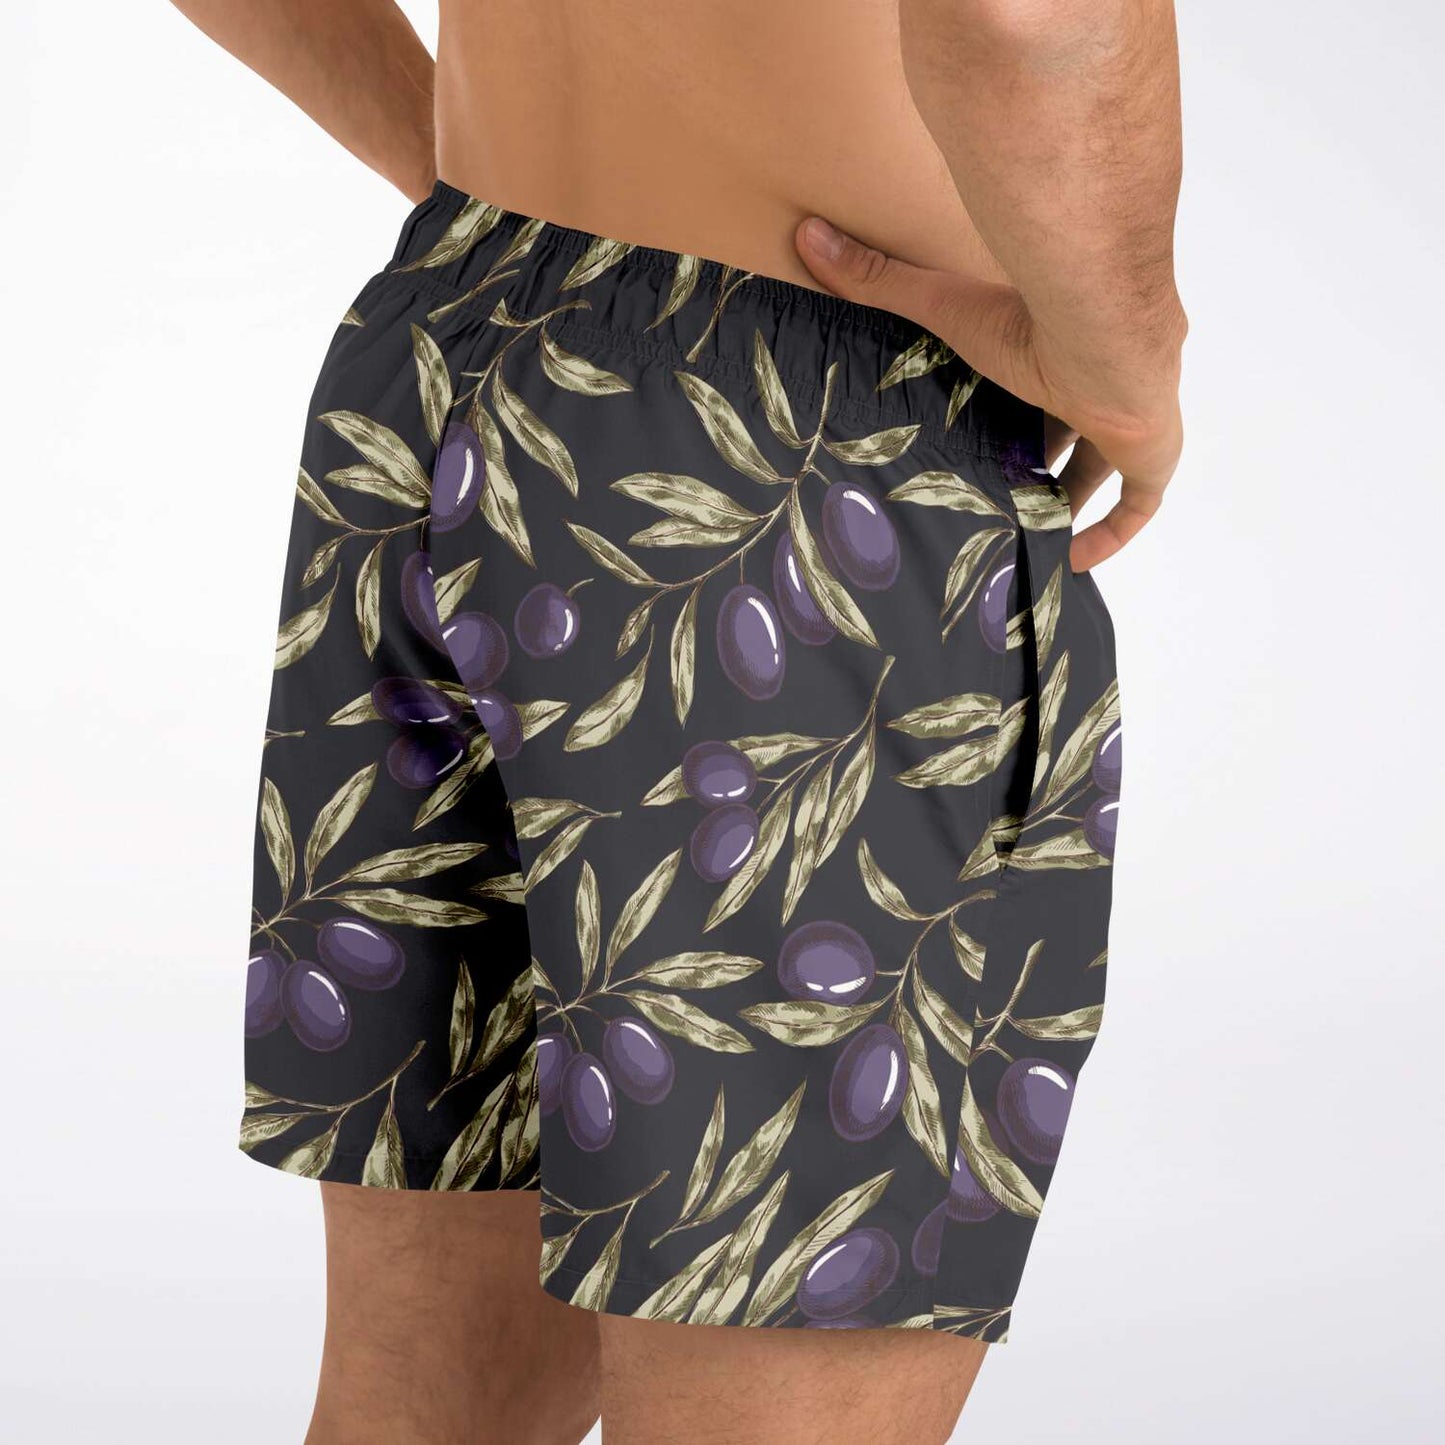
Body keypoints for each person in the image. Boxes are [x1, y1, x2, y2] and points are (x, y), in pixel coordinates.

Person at [175, 1, 1185, 1440]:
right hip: (806, 464)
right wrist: (1119, 346)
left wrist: (470, 179)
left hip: (449, 345)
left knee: (417, 1409)